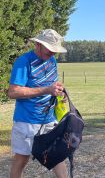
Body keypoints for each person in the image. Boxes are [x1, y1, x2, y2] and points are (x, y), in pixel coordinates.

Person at [7, 29, 68, 178]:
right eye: (50, 50)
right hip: (27, 121)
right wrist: (46, 90)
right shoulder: (24, 62)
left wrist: (59, 92)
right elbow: (13, 92)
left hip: (49, 118)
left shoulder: (52, 61)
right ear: (37, 44)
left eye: (55, 51)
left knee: (57, 155)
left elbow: (51, 84)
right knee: (22, 159)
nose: (52, 54)